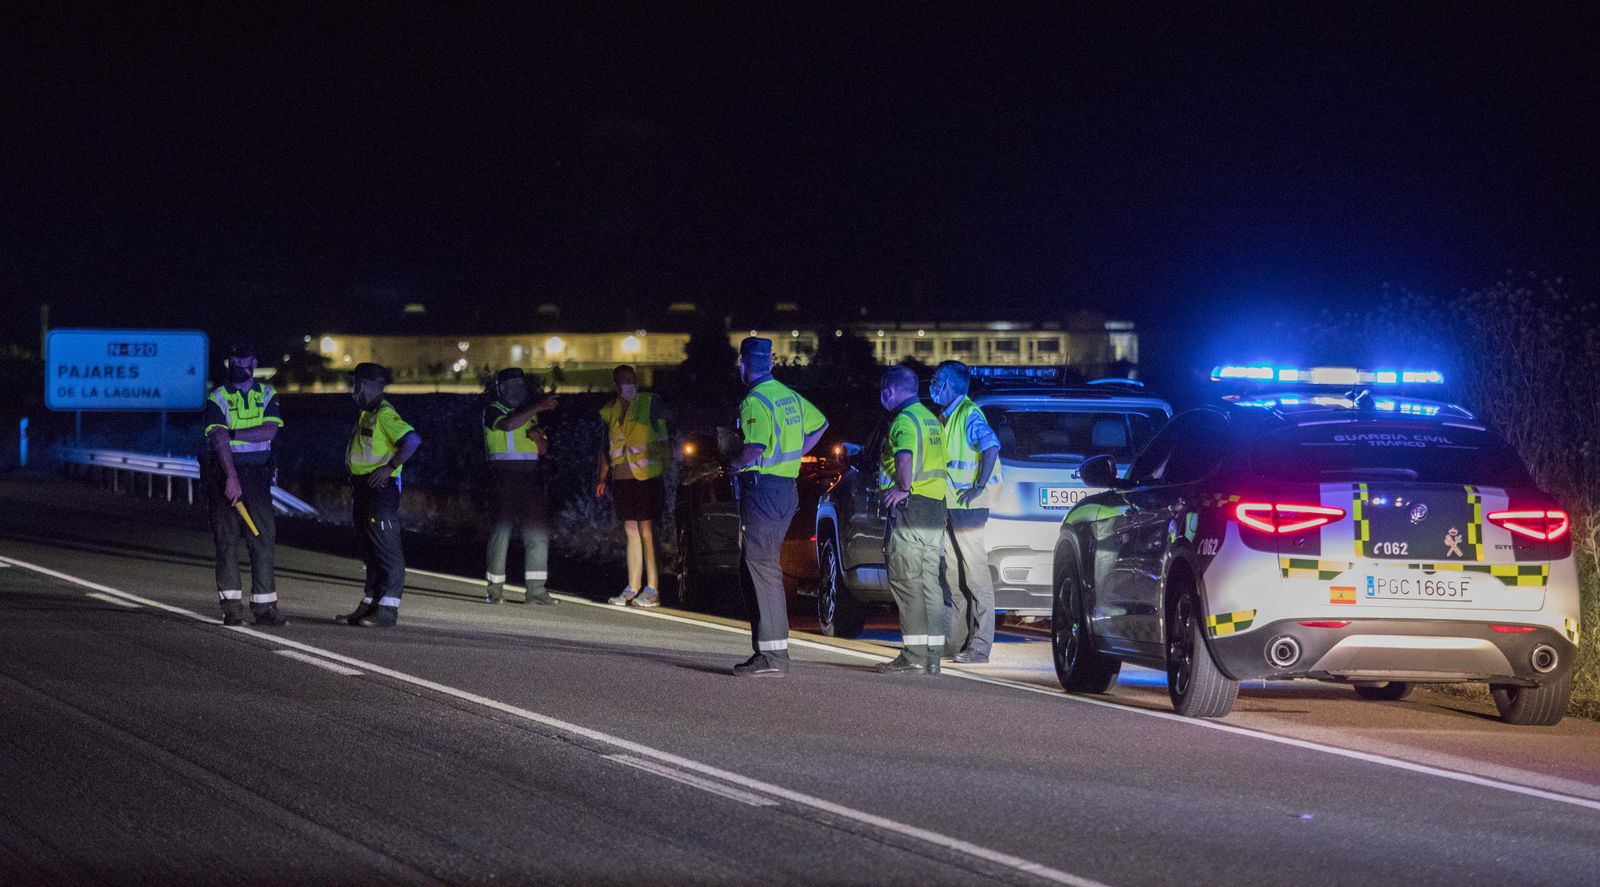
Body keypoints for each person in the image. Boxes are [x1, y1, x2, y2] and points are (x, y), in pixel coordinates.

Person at [729, 337, 828, 677]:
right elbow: (820, 424)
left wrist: (734, 462)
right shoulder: (788, 396)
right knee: (760, 566)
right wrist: (794, 454)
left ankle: (772, 656)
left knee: (762, 568)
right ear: (769, 363)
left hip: (764, 490)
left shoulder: (755, 400)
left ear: (744, 363)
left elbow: (754, 446)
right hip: (786, 489)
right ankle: (769, 652)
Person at [200, 343, 288, 627]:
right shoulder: (217, 397)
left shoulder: (267, 393)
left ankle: (265, 608)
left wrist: (233, 432)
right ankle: (232, 609)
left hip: (257, 476)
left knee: (262, 538)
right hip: (226, 474)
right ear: (228, 362)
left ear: (254, 361)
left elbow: (270, 430)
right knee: (227, 541)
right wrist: (231, 477)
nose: (239, 363)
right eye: (234, 359)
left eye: (244, 358)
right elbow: (218, 440)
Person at [875, 365, 949, 675]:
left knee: (906, 580)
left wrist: (903, 488)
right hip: (935, 507)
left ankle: (914, 653)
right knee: (929, 581)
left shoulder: (904, 420)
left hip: (912, 507)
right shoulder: (930, 419)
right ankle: (932, 654)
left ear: (889, 392)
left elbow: (904, 455)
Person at [337, 363, 422, 628]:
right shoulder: (368, 414)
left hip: (379, 492)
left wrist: (389, 468)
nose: (354, 389)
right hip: (364, 489)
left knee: (387, 551)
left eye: (357, 384)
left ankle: (387, 610)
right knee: (371, 552)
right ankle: (369, 604)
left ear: (371, 384)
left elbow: (412, 440)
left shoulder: (384, 414)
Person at [931, 360, 1002, 664]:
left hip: (969, 509)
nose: (932, 385)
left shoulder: (968, 413)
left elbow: (991, 445)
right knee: (952, 576)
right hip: (951, 506)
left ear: (949, 383)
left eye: (936, 379)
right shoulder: (948, 416)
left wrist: (979, 485)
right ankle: (955, 641)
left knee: (975, 577)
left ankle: (980, 646)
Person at [595, 365, 671, 607]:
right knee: (630, 531)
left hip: (647, 475)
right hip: (622, 477)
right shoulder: (609, 411)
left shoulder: (650, 402)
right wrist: (602, 478)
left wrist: (667, 461)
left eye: (633, 379)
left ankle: (653, 588)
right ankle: (632, 587)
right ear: (616, 385)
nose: (630, 383)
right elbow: (605, 448)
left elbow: (668, 427)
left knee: (647, 531)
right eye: (625, 380)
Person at [482, 368, 559, 605]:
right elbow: (506, 426)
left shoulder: (529, 413)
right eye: (512, 384)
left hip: (529, 479)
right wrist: (537, 408)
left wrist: (539, 439)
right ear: (501, 388)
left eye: (520, 384)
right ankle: (494, 591)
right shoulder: (493, 410)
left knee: (537, 534)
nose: (517, 388)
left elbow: (543, 450)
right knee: (500, 534)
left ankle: (536, 591)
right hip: (502, 478)